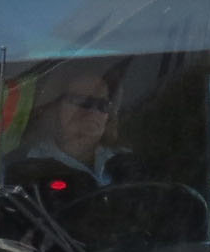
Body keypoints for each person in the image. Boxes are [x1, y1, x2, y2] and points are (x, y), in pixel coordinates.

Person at [9, 73, 132, 203]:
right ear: (54, 106)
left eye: (102, 105)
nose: (93, 112)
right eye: (83, 102)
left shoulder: (126, 162)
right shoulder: (23, 169)